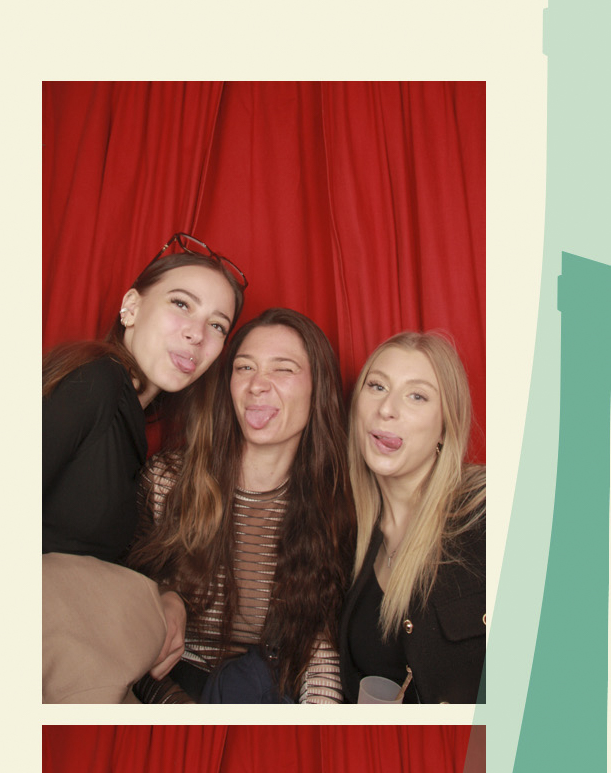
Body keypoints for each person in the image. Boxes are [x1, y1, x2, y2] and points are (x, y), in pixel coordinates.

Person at [42, 234, 246, 703]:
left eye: (217, 325)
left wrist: (169, 596)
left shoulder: (133, 420)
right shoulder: (95, 382)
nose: (197, 334)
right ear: (130, 307)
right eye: (182, 304)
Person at [130, 308, 354, 703]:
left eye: (283, 369)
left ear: (318, 388)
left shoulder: (337, 503)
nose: (257, 385)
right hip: (172, 693)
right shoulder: (168, 482)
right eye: (244, 367)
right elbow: (122, 628)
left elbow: (321, 653)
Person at [339, 331, 486, 704]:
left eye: (417, 396)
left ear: (446, 425)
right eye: (377, 386)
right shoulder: (346, 540)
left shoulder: (489, 512)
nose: (387, 409)